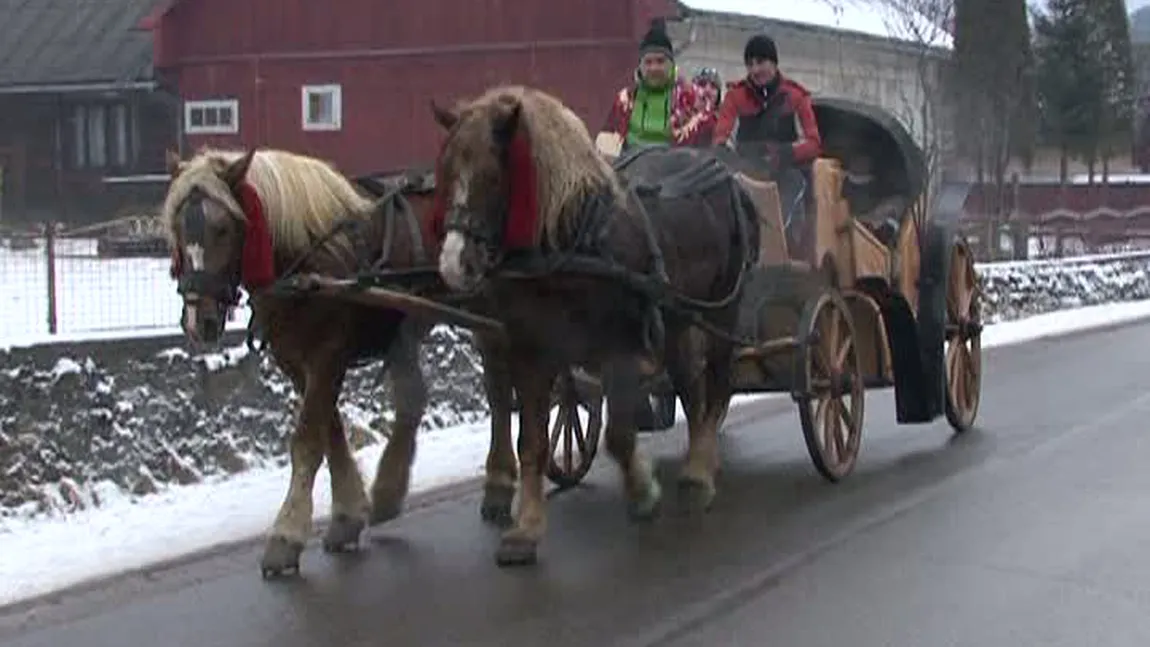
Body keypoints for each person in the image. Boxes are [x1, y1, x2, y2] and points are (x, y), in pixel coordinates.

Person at [712, 34, 822, 252]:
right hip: (745, 172)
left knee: (795, 184)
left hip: (785, 171)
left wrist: (784, 153)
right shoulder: (735, 97)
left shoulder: (796, 97)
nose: (755, 70)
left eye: (760, 62)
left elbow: (813, 143)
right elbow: (721, 139)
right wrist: (738, 159)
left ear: (774, 63)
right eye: (750, 64)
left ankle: (782, 247)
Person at [599, 23, 714, 153]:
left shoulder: (694, 99)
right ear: (640, 66)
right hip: (632, 167)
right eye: (648, 62)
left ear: (671, 63)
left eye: (660, 61)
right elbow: (607, 142)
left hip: (679, 169)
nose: (654, 68)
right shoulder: (625, 100)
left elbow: (709, 149)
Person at [691, 67, 724, 147]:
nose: (707, 90)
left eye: (713, 86)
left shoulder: (724, 122)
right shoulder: (679, 117)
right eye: (702, 84)